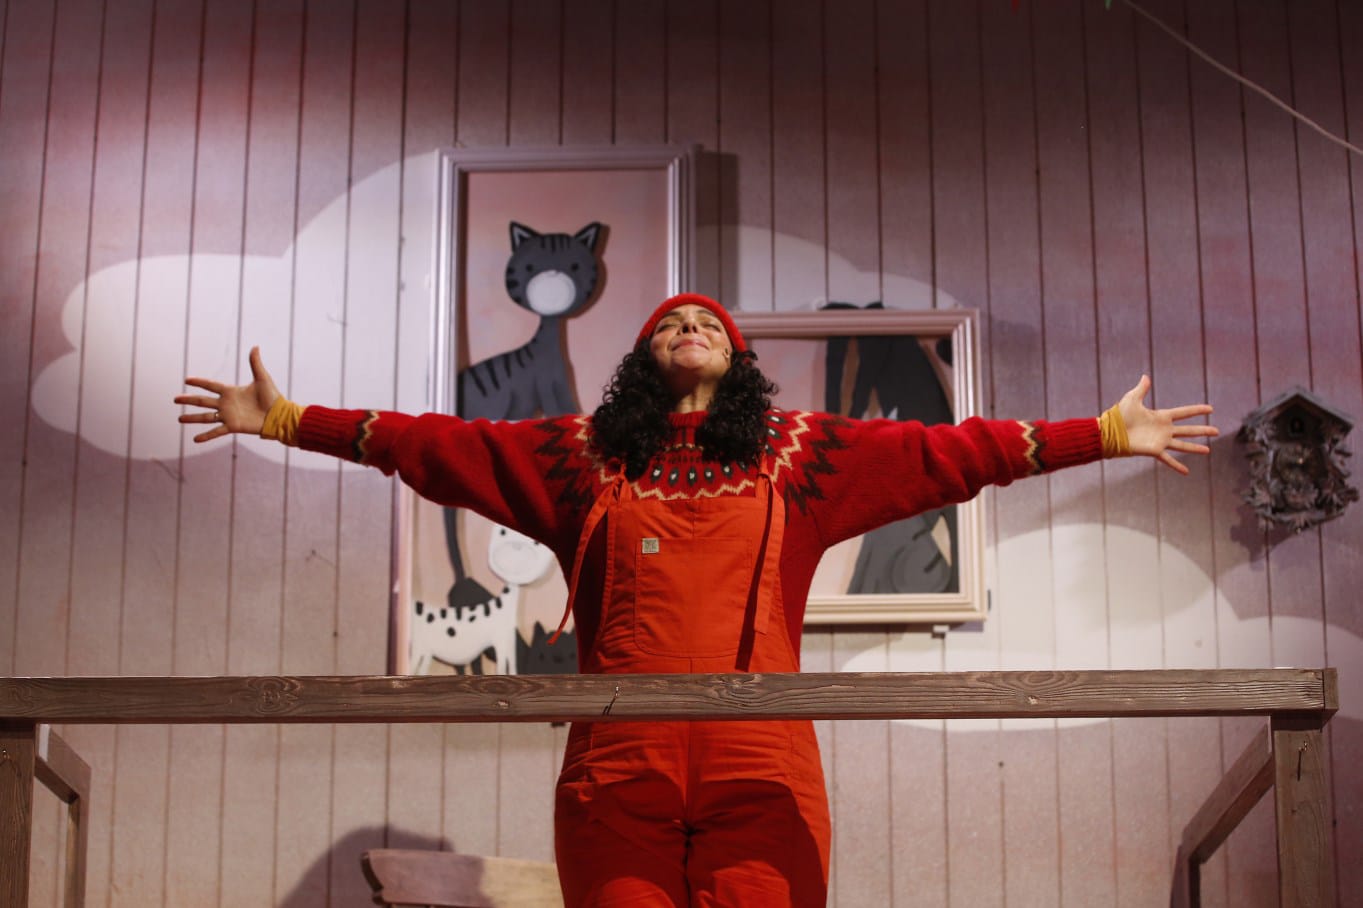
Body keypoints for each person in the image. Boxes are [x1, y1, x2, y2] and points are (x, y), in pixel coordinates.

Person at [176, 293, 1216, 908]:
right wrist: (291, 418)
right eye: (667, 320)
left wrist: (1105, 433)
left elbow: (953, 451)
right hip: (613, 773)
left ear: (738, 360)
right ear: (640, 361)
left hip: (764, 772)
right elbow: (435, 448)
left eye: (704, 320)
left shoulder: (804, 453)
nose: (685, 322)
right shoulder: (574, 456)